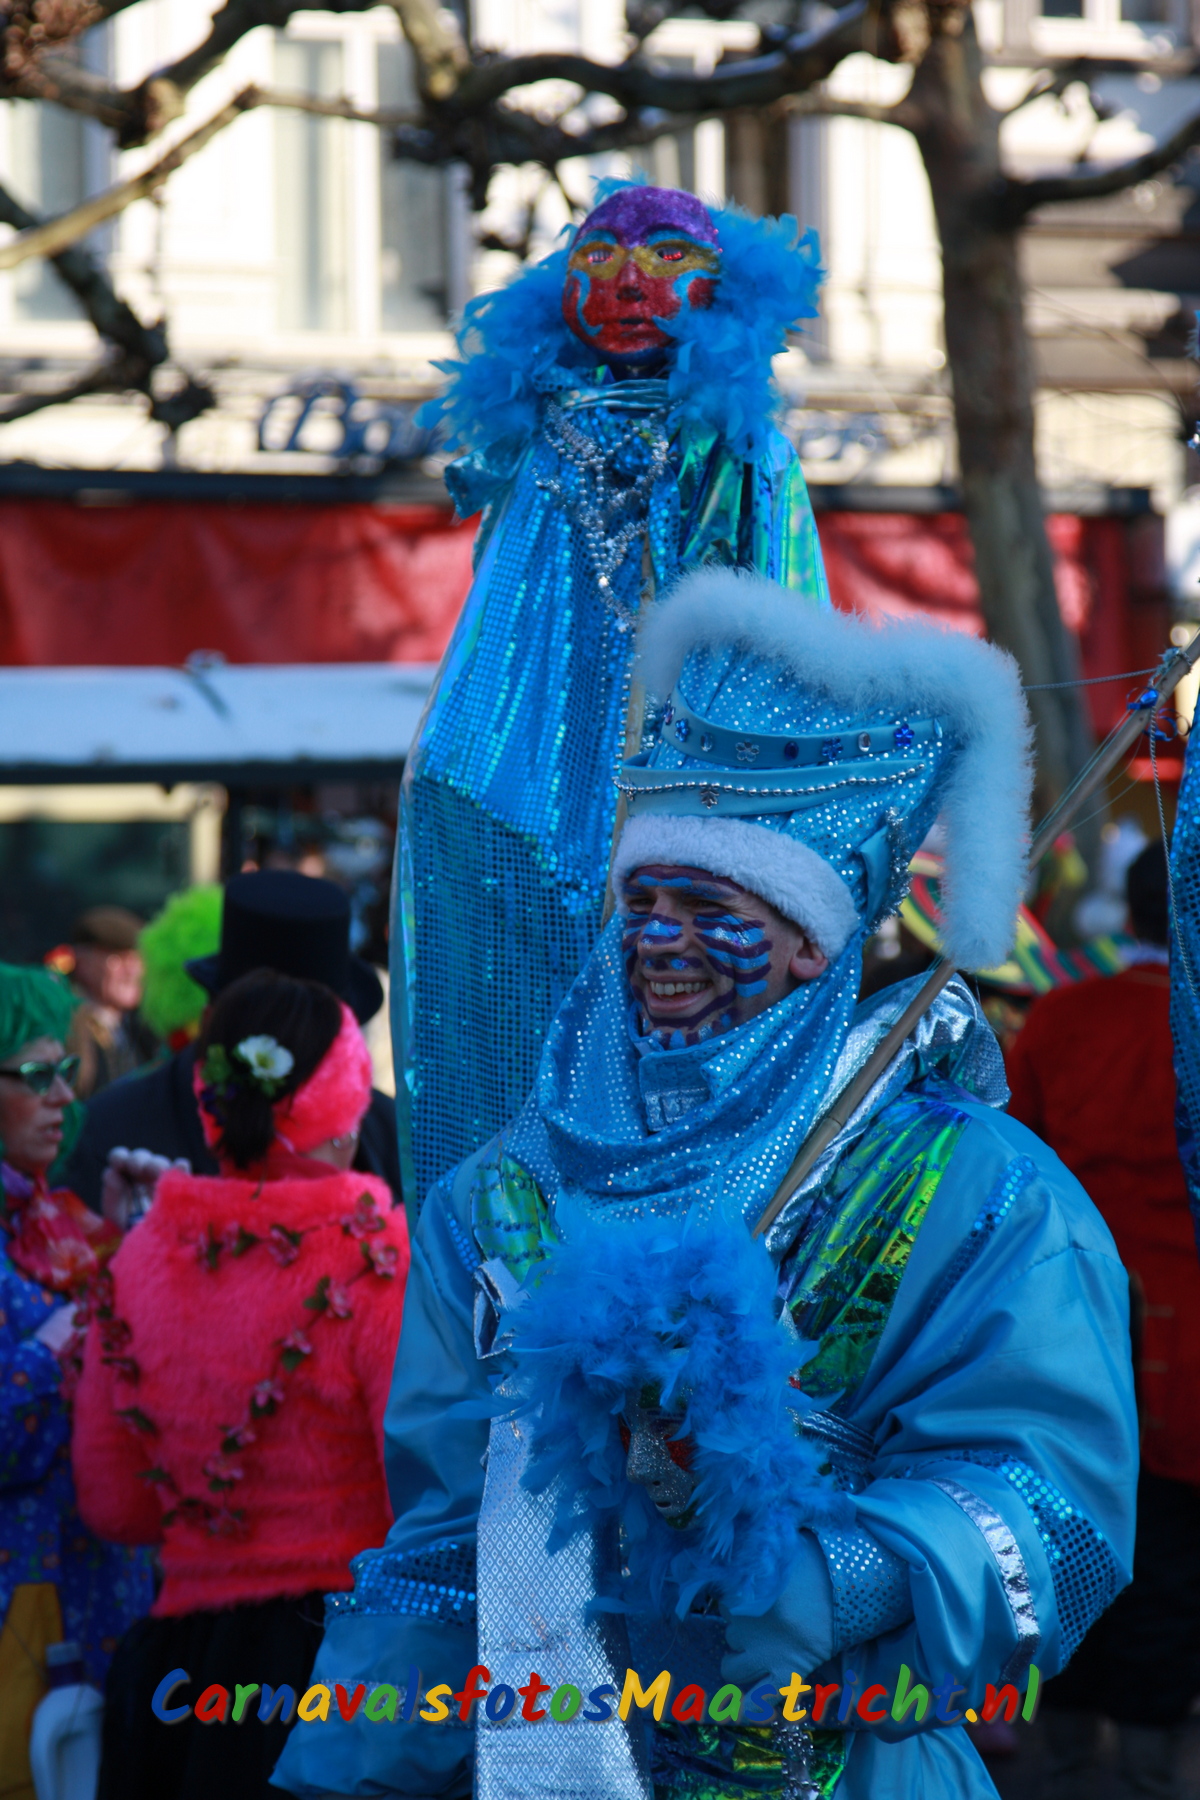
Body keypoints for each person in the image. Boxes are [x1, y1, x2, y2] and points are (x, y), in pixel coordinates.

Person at [274, 569, 1137, 1800]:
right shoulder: (504, 1195)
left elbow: (1055, 1498)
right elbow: (445, 1538)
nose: (660, 938)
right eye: (642, 897)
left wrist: (839, 1582)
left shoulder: (970, 1186)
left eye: (713, 904)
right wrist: (352, 1763)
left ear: (811, 939)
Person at [397, 180, 832, 1208]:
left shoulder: (744, 449)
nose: (630, 281)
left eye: (666, 256)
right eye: (598, 257)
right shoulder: (543, 445)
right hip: (521, 795)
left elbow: (779, 637)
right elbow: (498, 629)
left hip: (694, 790)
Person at [71, 968, 410, 1800]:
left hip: (180, 1678)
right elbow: (423, 1493)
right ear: (345, 1104)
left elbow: (117, 1506)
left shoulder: (140, 1258)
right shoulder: (377, 1258)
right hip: (338, 1672)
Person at [1007, 841, 1200, 1797]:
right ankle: (1153, 1756)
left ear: (1129, 911)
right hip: (1186, 1339)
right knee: (1174, 1548)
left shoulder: (1060, 1015)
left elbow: (1012, 1170)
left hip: (1069, 1326)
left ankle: (1067, 1741)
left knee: (1067, 1529)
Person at [0, 962, 154, 1800]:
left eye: (64, 1071)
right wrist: (61, 1339)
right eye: (34, 1076)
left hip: (96, 1590)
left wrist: (127, 1244)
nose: (62, 1096)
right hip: (21, 1606)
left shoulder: (48, 1217)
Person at [65, 870, 403, 1214]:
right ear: (211, 1017)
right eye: (266, 1029)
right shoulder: (113, 1134)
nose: (294, 1051)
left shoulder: (389, 1137)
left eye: (310, 1032)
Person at [64, 905, 159, 1099]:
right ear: (83, 963)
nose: (132, 971)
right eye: (119, 959)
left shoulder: (141, 1025)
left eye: (137, 959)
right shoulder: (67, 1026)